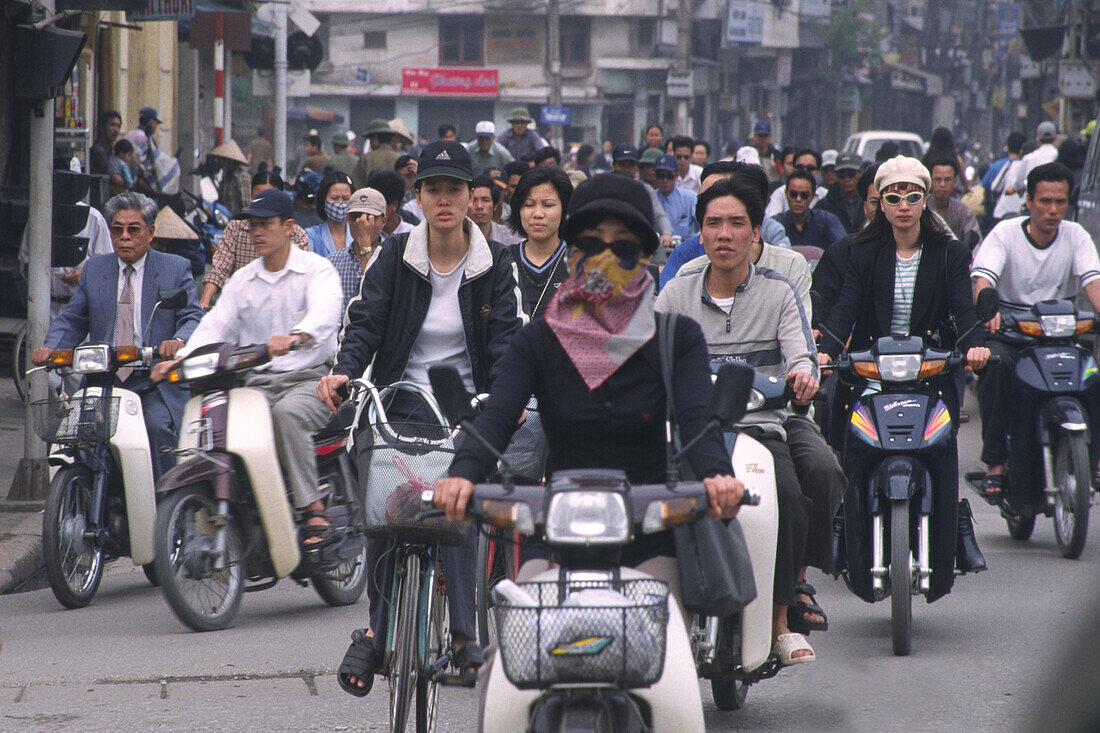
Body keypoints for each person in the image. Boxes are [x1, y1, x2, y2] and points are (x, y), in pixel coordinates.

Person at [431, 170, 744, 632]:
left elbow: (698, 421)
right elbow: (498, 416)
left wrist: (718, 477)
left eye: (622, 248)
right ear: (572, 252)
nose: (604, 261)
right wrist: (460, 476)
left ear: (643, 257)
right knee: (511, 650)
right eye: (591, 244)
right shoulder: (537, 340)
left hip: (651, 534)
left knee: (667, 649)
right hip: (556, 534)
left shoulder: (676, 339)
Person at [319, 140, 527, 696]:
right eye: (432, 189)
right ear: (418, 195)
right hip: (402, 397)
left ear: (471, 197)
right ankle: (377, 629)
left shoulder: (495, 262)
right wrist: (344, 372)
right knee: (391, 502)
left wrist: (508, 397)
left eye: (454, 189)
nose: (444, 199)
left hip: (468, 405)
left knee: (456, 503)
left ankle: (463, 635)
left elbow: (508, 341)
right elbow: (364, 321)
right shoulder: (396, 254)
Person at [655, 175, 826, 662]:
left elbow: (802, 356)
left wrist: (802, 376)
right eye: (713, 224)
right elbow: (648, 355)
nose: (724, 235)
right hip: (689, 432)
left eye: (736, 224)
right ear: (700, 233)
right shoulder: (674, 294)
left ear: (756, 234)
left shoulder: (780, 292)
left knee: (792, 494)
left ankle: (779, 620)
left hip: (762, 428)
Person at [818, 156, 991, 597]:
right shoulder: (862, 252)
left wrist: (973, 346)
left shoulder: (950, 252)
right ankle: (846, 527)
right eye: (892, 197)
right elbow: (845, 308)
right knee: (850, 447)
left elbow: (963, 309)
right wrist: (826, 350)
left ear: (925, 199)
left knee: (942, 447)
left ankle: (956, 530)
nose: (902, 205)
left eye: (912, 196)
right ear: (880, 202)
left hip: (931, 371)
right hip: (872, 371)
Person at [153, 188, 342, 548]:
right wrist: (179, 359)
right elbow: (215, 326)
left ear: (288, 227)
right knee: (219, 425)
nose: (257, 232)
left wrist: (296, 336)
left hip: (310, 379)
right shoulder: (243, 280)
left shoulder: (317, 270)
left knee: (287, 415)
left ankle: (312, 505)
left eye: (265, 225)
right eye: (252, 225)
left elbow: (326, 314)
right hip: (254, 384)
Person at [35, 192, 203, 477]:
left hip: (153, 381)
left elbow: (192, 316)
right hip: (103, 378)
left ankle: (166, 510)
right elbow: (74, 318)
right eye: (117, 228)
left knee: (158, 429)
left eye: (133, 229)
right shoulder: (95, 269)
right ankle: (82, 500)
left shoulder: (175, 269)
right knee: (76, 436)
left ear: (150, 233)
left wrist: (178, 341)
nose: (124, 236)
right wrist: (51, 348)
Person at [971, 162, 1100, 506]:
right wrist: (988, 308)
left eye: (1060, 202)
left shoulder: (1077, 236)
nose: (1053, 210)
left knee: (1092, 374)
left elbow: (1093, 283)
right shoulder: (1004, 234)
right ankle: (996, 463)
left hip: (1060, 337)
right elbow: (983, 279)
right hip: (1012, 335)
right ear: (1027, 200)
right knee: (995, 366)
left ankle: (1095, 457)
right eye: (1045, 201)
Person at [660, 161, 792, 287]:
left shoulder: (787, 269)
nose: (724, 234)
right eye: (704, 199)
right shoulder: (685, 263)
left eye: (721, 193)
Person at [201, 170, 310, 309]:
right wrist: (204, 303)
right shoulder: (236, 229)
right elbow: (219, 269)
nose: (258, 232)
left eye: (270, 199)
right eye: (258, 198)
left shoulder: (298, 236)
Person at [507, 166, 573, 318]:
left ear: (564, 209)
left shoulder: (579, 262)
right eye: (529, 205)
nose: (537, 214)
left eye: (548, 205)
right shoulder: (503, 261)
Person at [328, 187, 386, 315]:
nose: (362, 223)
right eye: (356, 217)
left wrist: (365, 242)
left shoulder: (394, 258)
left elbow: (374, 296)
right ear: (348, 219)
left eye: (370, 218)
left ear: (383, 221)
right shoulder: (332, 261)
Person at [610, 144, 675, 246]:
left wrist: (666, 234)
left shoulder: (645, 189)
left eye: (631, 166)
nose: (626, 170)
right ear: (613, 165)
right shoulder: (604, 186)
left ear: (636, 168)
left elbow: (659, 215)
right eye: (622, 165)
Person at [771, 171, 847, 250]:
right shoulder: (775, 223)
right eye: (793, 194)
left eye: (804, 195)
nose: (798, 199)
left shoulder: (827, 220)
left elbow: (844, 249)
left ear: (812, 196)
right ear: (786, 194)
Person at [927, 156, 980, 241]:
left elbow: (975, 242)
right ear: (930, 181)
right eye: (938, 179)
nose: (942, 184)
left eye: (947, 180)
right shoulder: (920, 208)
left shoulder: (963, 212)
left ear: (954, 183)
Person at [765, 148, 829, 217]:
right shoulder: (780, 193)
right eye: (800, 167)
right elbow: (770, 220)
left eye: (810, 168)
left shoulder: (825, 195)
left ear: (817, 171)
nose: (805, 171)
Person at [305, 172, 354, 257]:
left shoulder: (358, 234)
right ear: (323, 200)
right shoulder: (311, 235)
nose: (340, 203)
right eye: (335, 198)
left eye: (345, 198)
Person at [816, 152, 865, 233]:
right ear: (836, 175)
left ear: (860, 173)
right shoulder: (824, 206)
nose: (846, 179)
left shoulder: (870, 200)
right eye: (841, 175)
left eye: (851, 174)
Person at [468, 175, 523, 246]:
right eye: (473, 200)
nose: (479, 206)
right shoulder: (455, 237)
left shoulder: (511, 238)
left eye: (485, 200)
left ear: (495, 206)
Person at [1008, 121, 1059, 195]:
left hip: (1034, 200)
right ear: (1055, 138)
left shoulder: (1028, 158)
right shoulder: (1059, 156)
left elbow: (1019, 183)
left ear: (1038, 139)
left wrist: (1013, 189)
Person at [654, 153, 698, 238]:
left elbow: (703, 225)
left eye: (669, 176)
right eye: (660, 176)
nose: (665, 180)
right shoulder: (650, 199)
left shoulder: (690, 198)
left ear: (676, 176)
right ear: (655, 176)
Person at [367, 169, 417, 241]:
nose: (372, 210)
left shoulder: (412, 234)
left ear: (394, 205)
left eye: (377, 205)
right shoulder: (366, 233)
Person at [210, 139, 253, 216]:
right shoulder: (225, 178)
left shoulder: (242, 177)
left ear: (229, 161)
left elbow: (246, 205)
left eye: (221, 160)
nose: (219, 163)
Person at [352, 119, 400, 187]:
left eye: (370, 140)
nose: (370, 144)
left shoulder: (366, 159)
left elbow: (356, 184)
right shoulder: (399, 158)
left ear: (375, 138)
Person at [90, 109, 122, 177]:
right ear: (101, 127)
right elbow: (115, 178)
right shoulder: (98, 151)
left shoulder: (109, 148)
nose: (116, 130)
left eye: (118, 127)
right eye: (112, 125)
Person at [750, 121, 782, 185]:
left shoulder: (776, 154)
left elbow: (781, 172)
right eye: (760, 136)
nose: (762, 139)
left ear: (770, 137)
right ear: (755, 137)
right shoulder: (750, 153)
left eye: (765, 136)